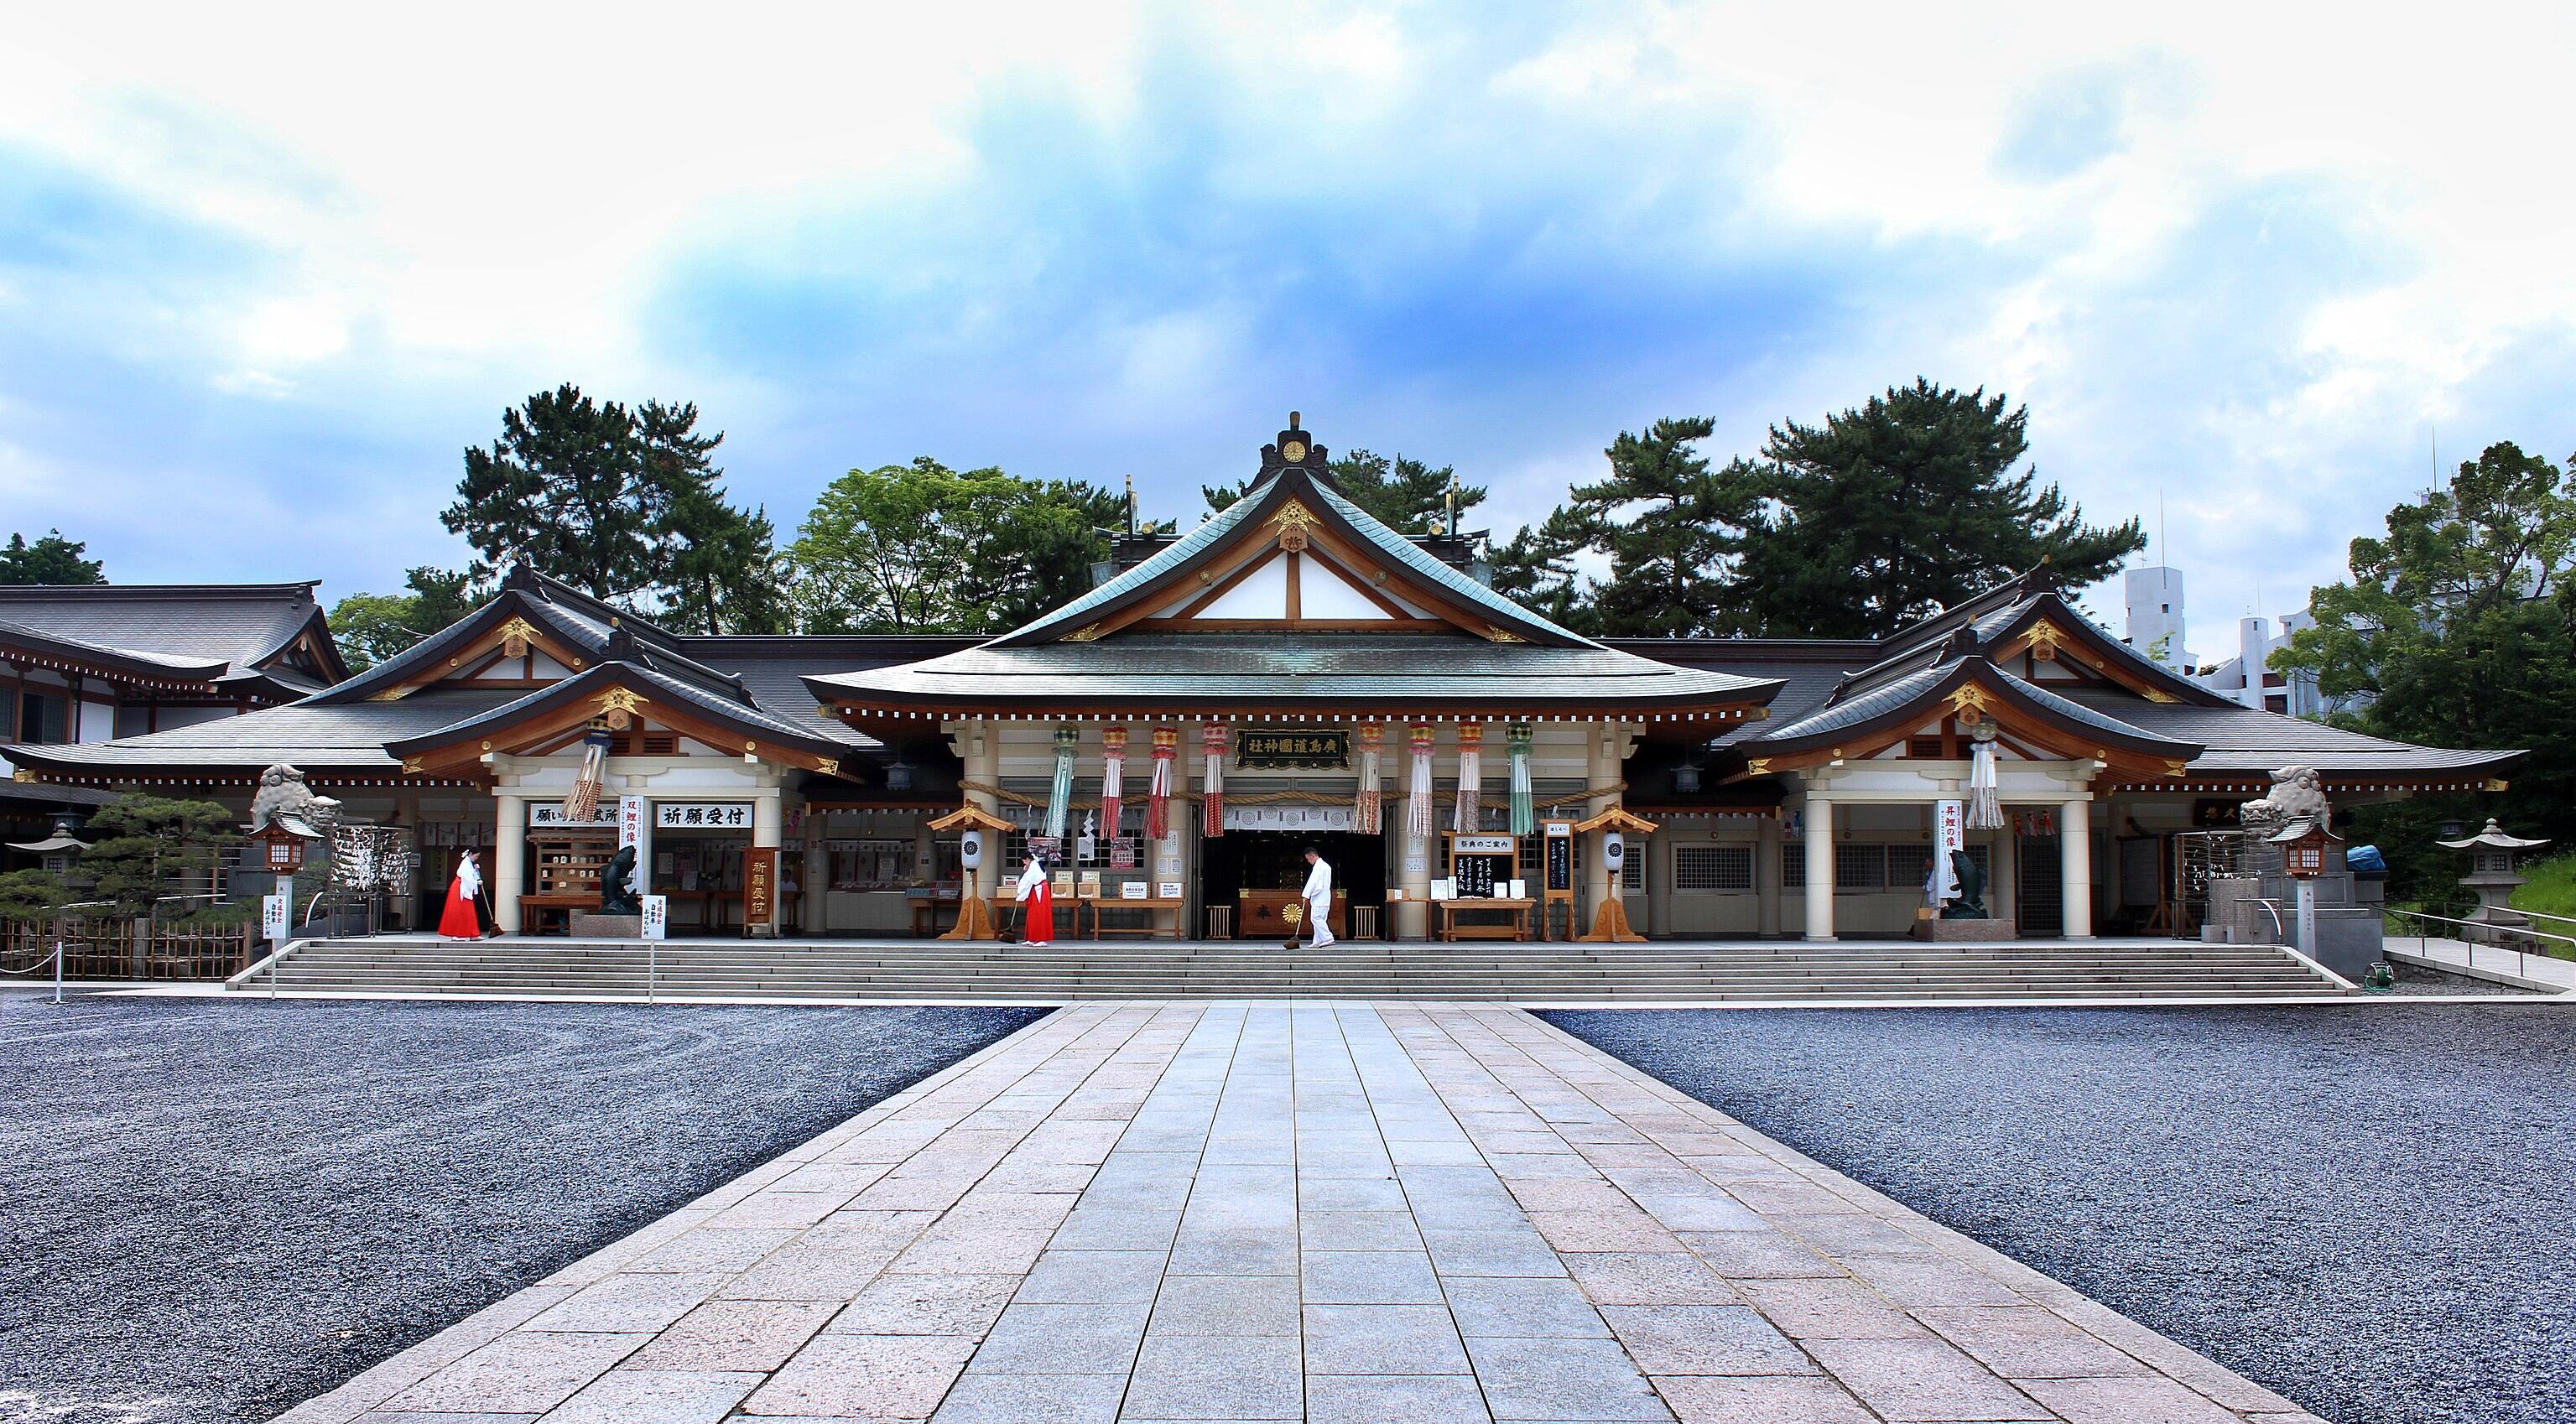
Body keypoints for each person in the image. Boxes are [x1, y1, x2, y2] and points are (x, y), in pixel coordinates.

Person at [437, 848, 497, 938]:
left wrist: (476, 870)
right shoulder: (465, 863)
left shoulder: (470, 864)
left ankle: (473, 933)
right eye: (476, 856)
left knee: (469, 913)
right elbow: (466, 877)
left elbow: (471, 876)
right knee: (458, 911)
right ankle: (456, 934)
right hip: (460, 888)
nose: (476, 858)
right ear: (471, 854)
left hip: (465, 887)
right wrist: (476, 882)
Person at [1287, 845, 1335, 948]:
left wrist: (1306, 895)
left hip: (1319, 898)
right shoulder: (1326, 866)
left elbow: (1313, 882)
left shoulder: (1319, 867)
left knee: (1316, 918)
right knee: (1320, 919)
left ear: (1313, 856)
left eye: (1308, 859)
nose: (1308, 861)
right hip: (1325, 898)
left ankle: (1328, 938)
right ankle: (1318, 941)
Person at [1013, 850, 1054, 945]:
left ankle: (1041, 939)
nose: (1024, 863)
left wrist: (1020, 894)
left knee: (1039, 914)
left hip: (1039, 890)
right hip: (1036, 890)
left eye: (1024, 861)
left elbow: (1027, 882)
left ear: (1028, 859)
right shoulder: (1033, 865)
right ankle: (1032, 938)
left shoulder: (1034, 866)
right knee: (1032, 914)